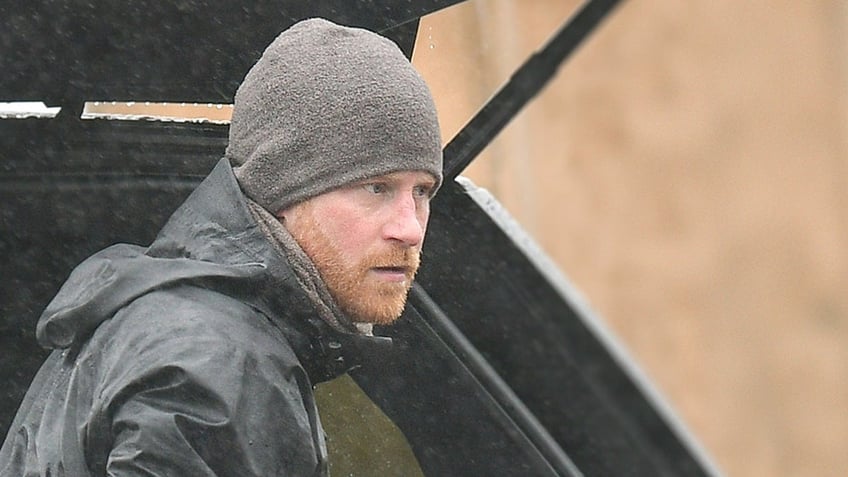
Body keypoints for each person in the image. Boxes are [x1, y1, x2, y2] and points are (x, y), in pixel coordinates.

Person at [0, 17, 442, 476]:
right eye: (376, 188)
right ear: (284, 191)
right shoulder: (216, 369)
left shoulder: (186, 325)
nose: (409, 228)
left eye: (423, 191)